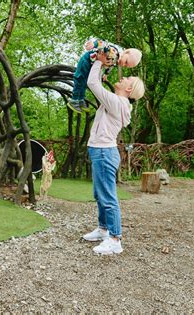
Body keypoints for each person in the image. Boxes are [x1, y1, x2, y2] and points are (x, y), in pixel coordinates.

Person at [82, 55, 145, 255]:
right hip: (101, 151)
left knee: (108, 197)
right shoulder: (118, 102)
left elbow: (92, 82)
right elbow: (99, 81)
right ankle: (103, 230)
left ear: (129, 89)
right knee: (99, 194)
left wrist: (100, 60)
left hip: (103, 153)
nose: (124, 77)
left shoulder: (118, 103)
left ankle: (115, 239)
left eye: (128, 79)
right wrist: (103, 67)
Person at [68, 37, 142, 113]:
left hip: (92, 65)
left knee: (84, 82)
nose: (123, 64)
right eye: (126, 62)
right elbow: (102, 43)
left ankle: (80, 99)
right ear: (126, 52)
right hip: (87, 61)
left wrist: (106, 74)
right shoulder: (114, 51)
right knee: (80, 79)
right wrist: (94, 44)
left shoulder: (116, 60)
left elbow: (110, 67)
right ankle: (74, 100)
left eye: (126, 66)